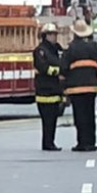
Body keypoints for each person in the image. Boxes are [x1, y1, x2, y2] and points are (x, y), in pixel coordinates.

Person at [63, 20, 97, 152]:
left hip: (76, 88)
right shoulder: (95, 46)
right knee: (90, 115)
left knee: (80, 116)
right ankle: (91, 143)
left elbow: (63, 67)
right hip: (91, 87)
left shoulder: (71, 48)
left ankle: (82, 143)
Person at [33, 23, 66, 151]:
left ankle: (50, 142)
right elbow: (43, 68)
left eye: (55, 34)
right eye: (52, 34)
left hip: (55, 89)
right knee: (47, 119)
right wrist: (59, 72)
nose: (54, 37)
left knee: (53, 119)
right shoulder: (40, 51)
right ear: (45, 36)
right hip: (44, 90)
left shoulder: (56, 49)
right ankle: (47, 143)